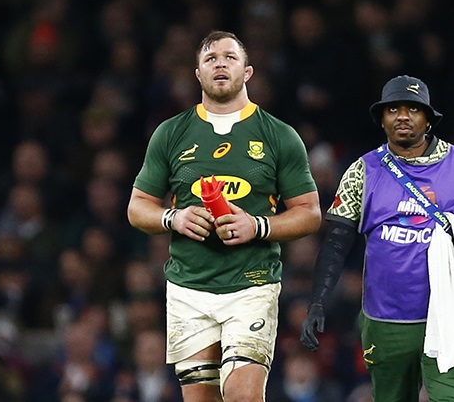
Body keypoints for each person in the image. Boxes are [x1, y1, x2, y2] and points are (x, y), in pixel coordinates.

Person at [300, 75, 454, 401]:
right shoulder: (362, 171)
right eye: (393, 109)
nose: (403, 116)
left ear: (429, 119)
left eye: (414, 109)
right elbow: (336, 242)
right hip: (387, 321)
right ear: (381, 119)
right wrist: (317, 301)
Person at [127, 30, 322, 402]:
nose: (220, 63)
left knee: (241, 395)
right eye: (210, 58)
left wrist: (258, 225)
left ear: (247, 72)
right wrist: (174, 218)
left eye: (229, 57)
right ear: (197, 74)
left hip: (251, 283)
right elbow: (137, 207)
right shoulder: (170, 133)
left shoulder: (279, 135)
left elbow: (310, 213)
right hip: (189, 288)